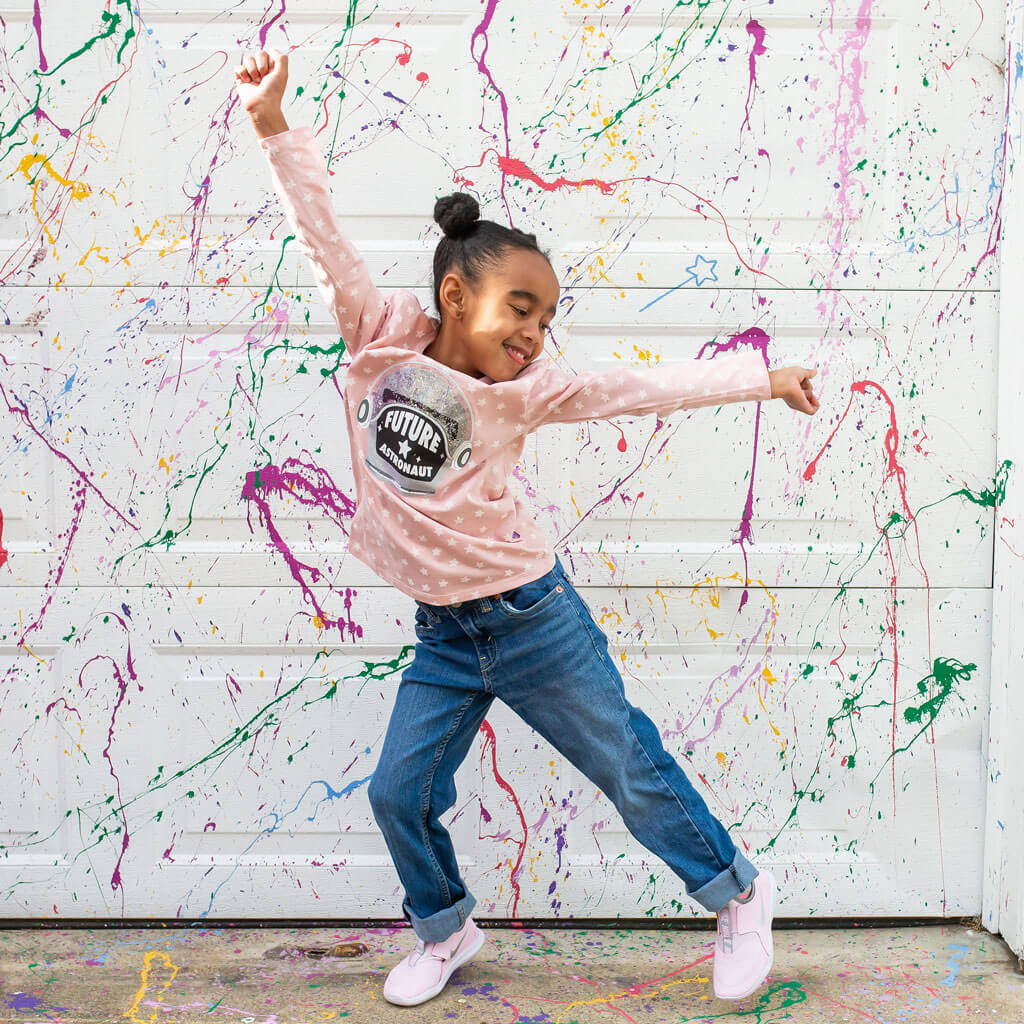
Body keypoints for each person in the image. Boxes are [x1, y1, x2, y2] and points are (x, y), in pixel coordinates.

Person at [234, 47, 820, 1008]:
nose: (534, 333)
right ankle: (447, 929)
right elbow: (324, 235)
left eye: (545, 318)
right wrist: (271, 125)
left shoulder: (530, 391)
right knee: (397, 792)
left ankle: (739, 895)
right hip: (445, 634)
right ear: (454, 297)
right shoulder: (377, 337)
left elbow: (641, 388)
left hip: (531, 620)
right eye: (520, 308)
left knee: (626, 767)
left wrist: (761, 378)